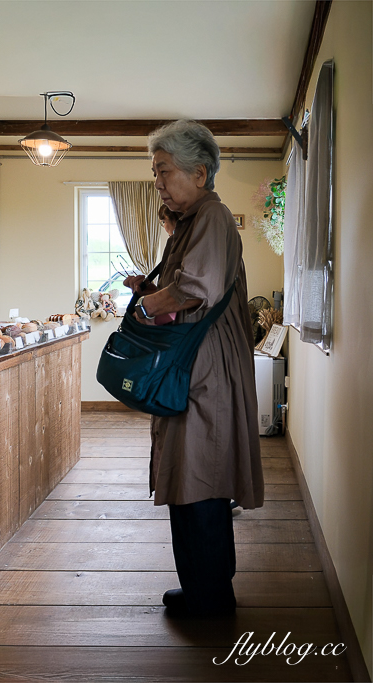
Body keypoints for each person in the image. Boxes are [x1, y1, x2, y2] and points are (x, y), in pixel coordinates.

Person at [123, 119, 262, 618]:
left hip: (203, 366)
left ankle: (209, 598)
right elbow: (188, 285)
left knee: (198, 479)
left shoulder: (213, 216)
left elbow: (194, 288)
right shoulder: (197, 218)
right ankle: (207, 590)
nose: (157, 181)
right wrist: (151, 292)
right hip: (198, 361)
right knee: (193, 476)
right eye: (155, 172)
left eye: (164, 171)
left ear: (199, 173)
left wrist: (144, 305)